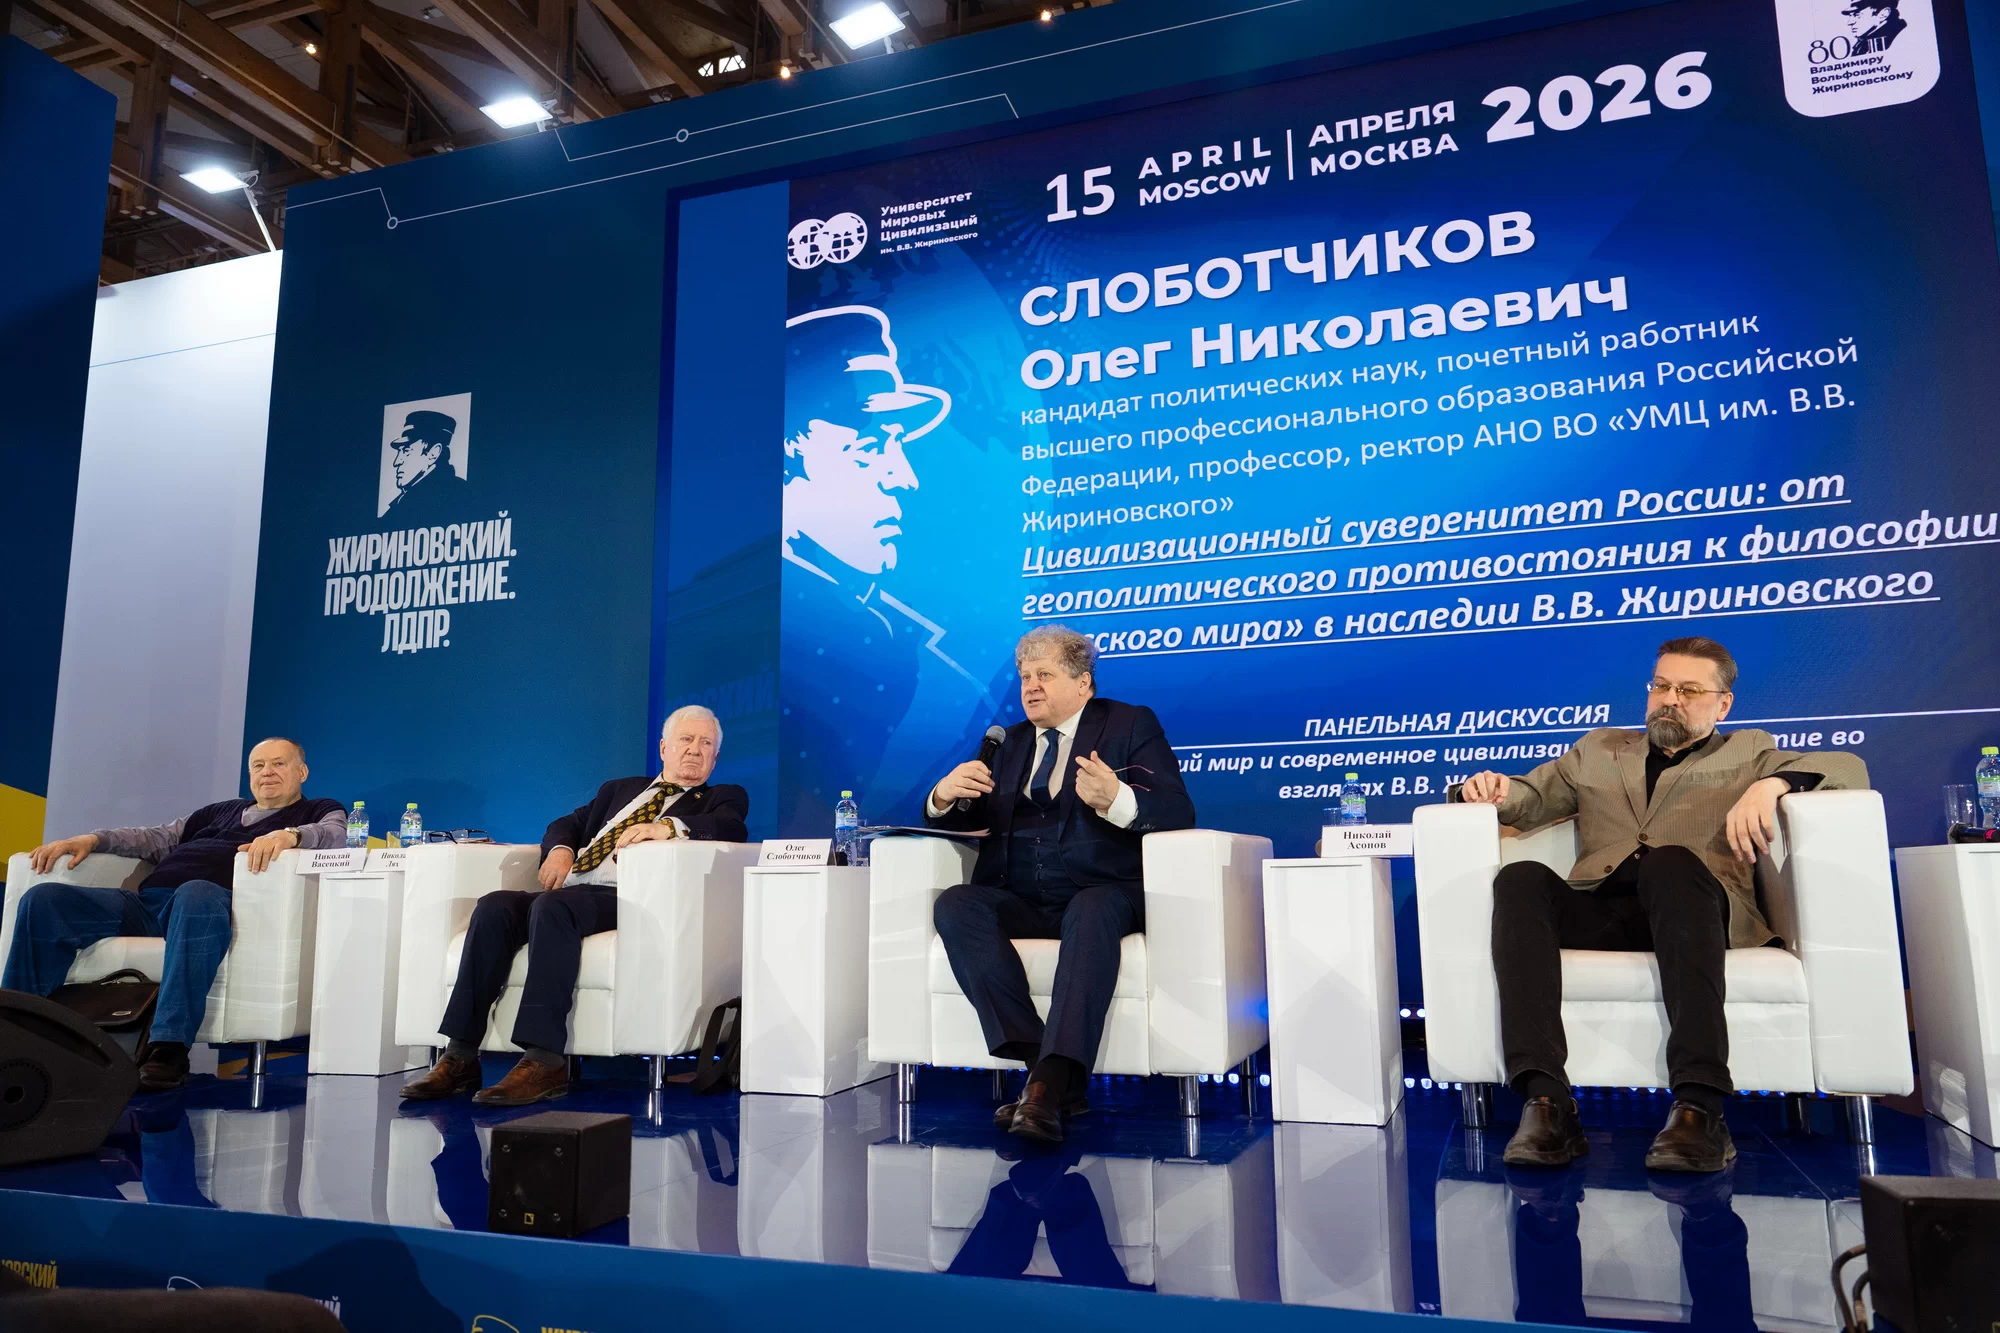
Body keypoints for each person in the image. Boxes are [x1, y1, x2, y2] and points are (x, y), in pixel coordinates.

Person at [1454, 636, 1866, 1172]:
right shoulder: (1599, 750)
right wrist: (1490, 789)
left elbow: (1848, 767)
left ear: (1723, 704)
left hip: (1696, 912)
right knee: (1520, 879)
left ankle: (1700, 1105)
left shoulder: (1748, 749)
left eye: (1689, 690)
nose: (1670, 699)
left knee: (1670, 862)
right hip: (1603, 909)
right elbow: (1530, 798)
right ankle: (1547, 1102)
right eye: (1662, 686)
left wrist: (1772, 784)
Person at [924, 625, 1195, 1143]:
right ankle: (1046, 1075)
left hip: (1101, 891)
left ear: (1083, 683)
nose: (1030, 686)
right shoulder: (1008, 743)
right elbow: (968, 820)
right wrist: (943, 796)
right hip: (1021, 894)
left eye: (1044, 675)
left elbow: (1177, 811)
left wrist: (1118, 799)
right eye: (1025, 676)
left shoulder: (1128, 724)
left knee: (1092, 909)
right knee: (957, 904)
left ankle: (1046, 1082)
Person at [401, 705, 749, 1107]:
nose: (694, 750)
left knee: (553, 908)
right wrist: (561, 850)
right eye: (686, 739)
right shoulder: (619, 790)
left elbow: (730, 826)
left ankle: (545, 1060)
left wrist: (665, 827)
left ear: (715, 758)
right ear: (663, 748)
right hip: (574, 889)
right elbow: (565, 824)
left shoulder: (721, 797)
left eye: (706, 744)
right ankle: (461, 1054)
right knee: (494, 907)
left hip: (630, 898)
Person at [4, 738, 346, 1090]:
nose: (267, 772)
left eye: (279, 764)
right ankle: (15, 1031)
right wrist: (94, 840)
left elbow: (336, 835)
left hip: (209, 905)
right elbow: (154, 838)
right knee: (45, 900)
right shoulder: (219, 812)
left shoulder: (317, 810)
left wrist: (290, 836)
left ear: (302, 772)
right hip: (149, 905)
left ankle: (169, 1048)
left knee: (195, 892)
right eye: (258, 766)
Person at [382, 409, 469, 522]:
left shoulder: (458, 495)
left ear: (433, 453)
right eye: (399, 451)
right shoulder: (401, 504)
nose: (396, 462)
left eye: (406, 451)